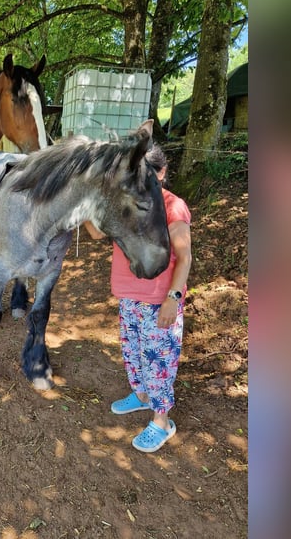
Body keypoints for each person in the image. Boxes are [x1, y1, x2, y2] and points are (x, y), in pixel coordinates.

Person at [83, 148, 192, 453]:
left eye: (148, 174)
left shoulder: (173, 206)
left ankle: (162, 421)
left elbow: (184, 258)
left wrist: (174, 298)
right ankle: (142, 396)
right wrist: (89, 199)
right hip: (129, 297)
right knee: (133, 353)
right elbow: (94, 233)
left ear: (162, 172)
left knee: (158, 361)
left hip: (159, 299)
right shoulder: (126, 202)